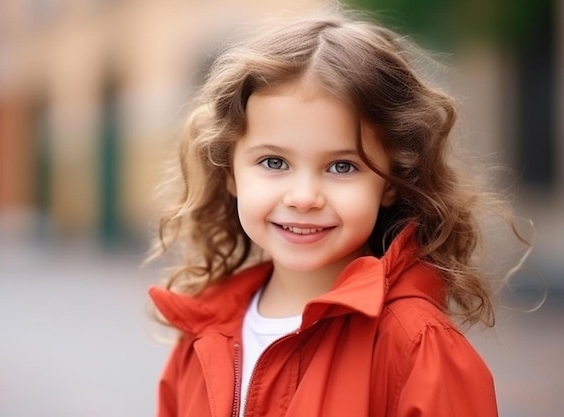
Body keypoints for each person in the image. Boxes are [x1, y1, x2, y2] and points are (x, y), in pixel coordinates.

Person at [148, 7, 526, 417]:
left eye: (342, 166)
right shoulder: (201, 334)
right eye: (274, 162)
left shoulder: (415, 347)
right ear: (230, 173)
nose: (304, 197)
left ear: (390, 183)